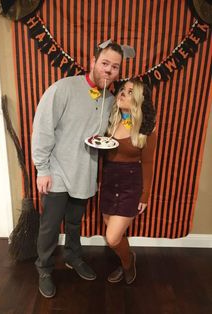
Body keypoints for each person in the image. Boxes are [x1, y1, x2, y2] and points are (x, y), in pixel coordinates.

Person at [31, 42, 123, 298]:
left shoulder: (112, 100)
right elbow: (42, 129)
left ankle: (73, 257)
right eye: (105, 63)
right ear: (93, 61)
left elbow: (108, 134)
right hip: (57, 170)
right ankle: (45, 269)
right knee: (50, 227)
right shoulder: (64, 88)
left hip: (85, 171)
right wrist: (42, 169)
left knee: (74, 222)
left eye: (115, 67)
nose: (109, 70)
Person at [100, 78, 156, 284]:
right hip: (108, 182)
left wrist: (145, 195)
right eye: (123, 89)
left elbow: (148, 163)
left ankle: (127, 263)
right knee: (111, 230)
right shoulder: (108, 120)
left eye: (130, 92)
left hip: (130, 186)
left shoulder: (146, 127)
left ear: (139, 100)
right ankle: (127, 257)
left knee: (112, 237)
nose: (123, 92)